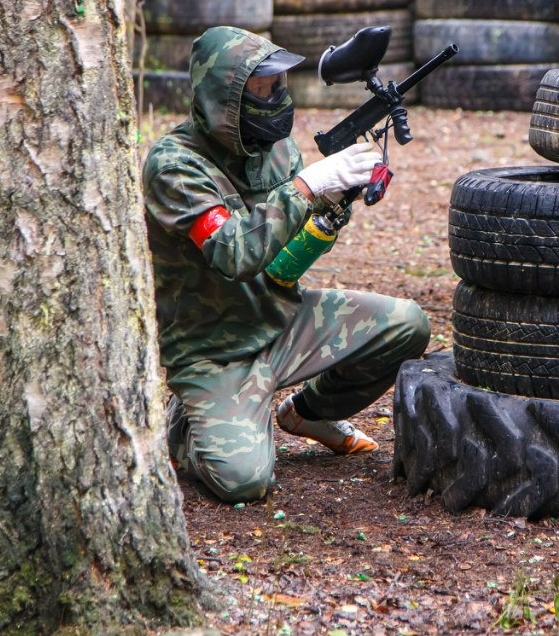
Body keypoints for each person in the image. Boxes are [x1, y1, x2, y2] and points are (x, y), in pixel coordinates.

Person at [141, 25, 431, 504]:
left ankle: (308, 413)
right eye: (261, 89)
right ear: (224, 100)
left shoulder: (275, 149)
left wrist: (332, 205)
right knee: (244, 482)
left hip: (281, 320)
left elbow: (284, 259)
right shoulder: (175, 167)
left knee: (408, 325)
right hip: (213, 349)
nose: (276, 97)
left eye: (278, 86)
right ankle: (186, 426)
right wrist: (309, 186)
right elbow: (235, 252)